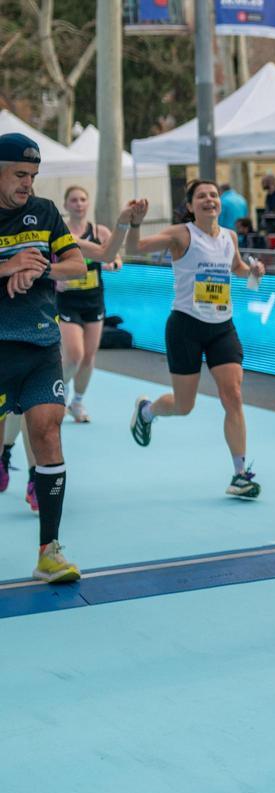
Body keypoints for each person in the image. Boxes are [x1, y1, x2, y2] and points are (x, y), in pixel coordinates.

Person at [0, 132, 131, 582]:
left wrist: (38, 268)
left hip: (39, 345)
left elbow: (77, 264)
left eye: (33, 176)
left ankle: (48, 552)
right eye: (19, 174)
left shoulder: (45, 212)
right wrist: (8, 266)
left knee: (48, 429)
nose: (27, 184)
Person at [124, 180, 267, 498]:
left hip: (222, 327)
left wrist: (253, 270)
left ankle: (240, 475)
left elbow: (237, 267)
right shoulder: (181, 234)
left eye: (214, 195)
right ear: (190, 205)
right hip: (186, 327)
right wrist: (135, 223)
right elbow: (134, 249)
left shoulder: (230, 236)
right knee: (184, 406)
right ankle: (147, 411)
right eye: (201, 196)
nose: (209, 200)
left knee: (233, 396)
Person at [57, 185, 127, 423]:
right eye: (74, 200)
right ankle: (60, 390)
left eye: (83, 199)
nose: (78, 204)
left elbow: (115, 256)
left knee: (88, 357)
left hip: (93, 301)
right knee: (74, 355)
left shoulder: (100, 232)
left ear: (88, 204)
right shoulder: (60, 232)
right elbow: (49, 262)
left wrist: (113, 264)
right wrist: (56, 280)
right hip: (67, 302)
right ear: (66, 205)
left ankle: (77, 401)